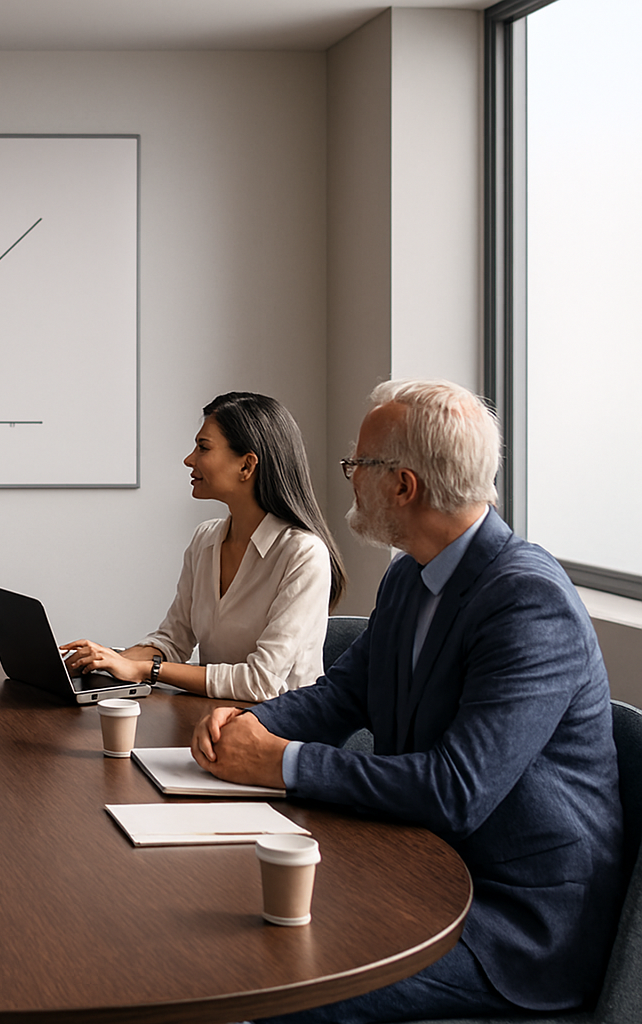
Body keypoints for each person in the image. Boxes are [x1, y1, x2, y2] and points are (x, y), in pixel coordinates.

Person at [192, 379, 622, 1022]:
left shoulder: (529, 603)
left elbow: (457, 790)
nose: (347, 479)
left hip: (508, 924)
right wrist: (245, 723)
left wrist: (281, 761)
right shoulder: (409, 577)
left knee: (268, 988)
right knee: (215, 925)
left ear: (403, 485)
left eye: (357, 465)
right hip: (415, 872)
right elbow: (343, 695)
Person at [64, 392, 344, 701]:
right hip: (210, 721)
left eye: (203, 447)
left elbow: (261, 682)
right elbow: (173, 640)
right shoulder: (205, 539)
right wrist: (103, 661)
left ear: (247, 466)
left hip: (277, 733)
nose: (189, 459)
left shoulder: (303, 554)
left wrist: (146, 670)